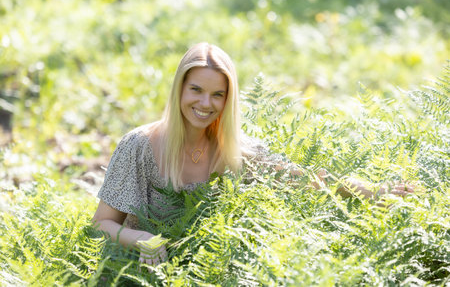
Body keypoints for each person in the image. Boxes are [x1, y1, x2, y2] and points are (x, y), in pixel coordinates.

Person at [92, 42, 414, 268]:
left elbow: (305, 179)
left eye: (218, 94)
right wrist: (141, 239)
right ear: (179, 89)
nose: (206, 104)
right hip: (139, 273)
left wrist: (371, 190)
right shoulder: (138, 146)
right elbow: (101, 223)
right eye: (196, 90)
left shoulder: (235, 151)